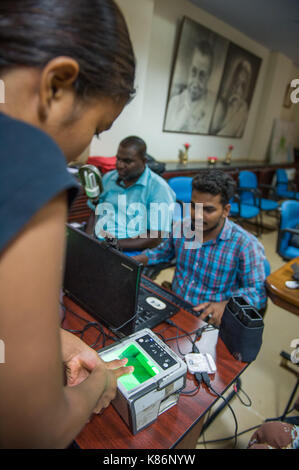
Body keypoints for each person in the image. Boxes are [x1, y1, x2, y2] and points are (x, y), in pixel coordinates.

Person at [0, 0, 136, 448]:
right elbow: (33, 431)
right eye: (98, 128)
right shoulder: (28, 159)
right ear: (58, 85)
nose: (83, 152)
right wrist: (97, 386)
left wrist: (48, 337)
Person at [134, 170, 267, 326]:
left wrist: (227, 306)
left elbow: (257, 291)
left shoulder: (244, 244)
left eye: (208, 210)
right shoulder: (183, 226)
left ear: (225, 210)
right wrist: (134, 260)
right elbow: (162, 252)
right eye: (193, 206)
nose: (198, 215)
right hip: (174, 306)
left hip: (208, 319)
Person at [95, 136, 176, 252]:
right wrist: (89, 240)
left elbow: (156, 238)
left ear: (144, 161)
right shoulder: (108, 178)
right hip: (101, 243)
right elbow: (94, 211)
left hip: (132, 248)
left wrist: (111, 245)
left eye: (127, 161)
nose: (119, 165)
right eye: (118, 159)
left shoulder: (159, 189)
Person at [164, 40, 215, 134]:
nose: (196, 81)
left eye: (202, 75)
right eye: (194, 71)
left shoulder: (212, 109)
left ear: (209, 77)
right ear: (189, 69)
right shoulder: (174, 102)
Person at [210, 59, 252, 137]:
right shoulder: (221, 103)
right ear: (232, 81)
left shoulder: (244, 111)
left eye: (242, 85)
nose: (238, 89)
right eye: (236, 82)